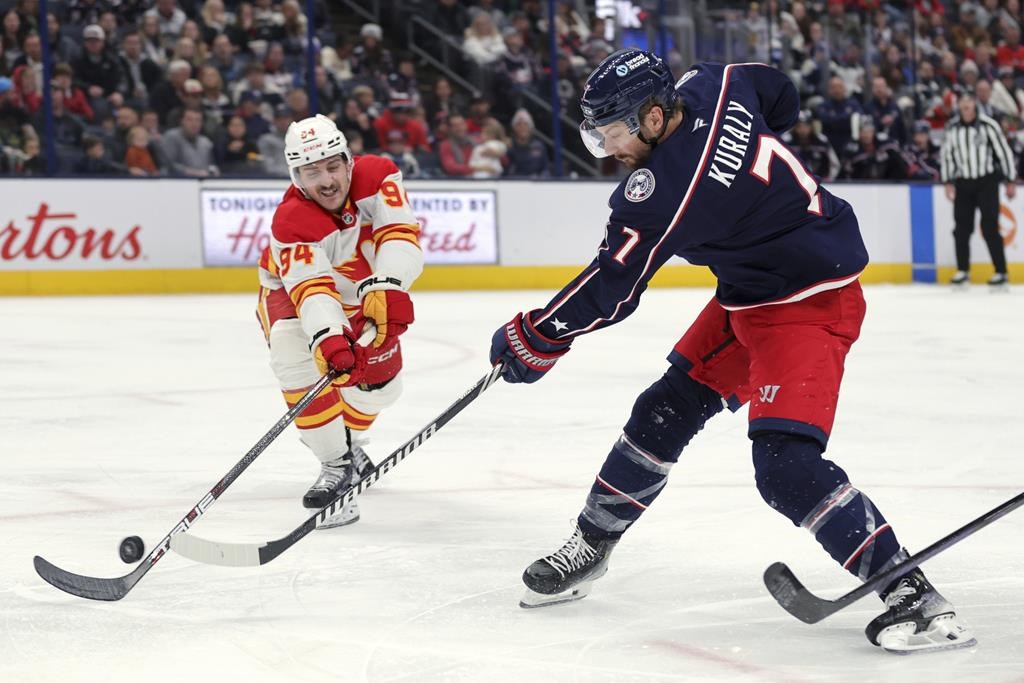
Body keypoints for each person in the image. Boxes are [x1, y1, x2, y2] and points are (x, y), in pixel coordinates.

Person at [489, 49, 976, 655]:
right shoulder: (715, 82)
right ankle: (591, 546)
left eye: (612, 133)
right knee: (661, 410)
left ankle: (917, 598)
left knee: (786, 468)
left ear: (655, 115)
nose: (609, 149)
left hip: (810, 305)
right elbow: (781, 95)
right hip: (753, 294)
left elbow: (613, 288)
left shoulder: (661, 190)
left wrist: (537, 335)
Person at [256, 114, 423, 528]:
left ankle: (349, 442)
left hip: (363, 288)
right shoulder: (292, 219)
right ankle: (337, 466)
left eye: (333, 166)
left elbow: (399, 234)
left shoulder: (378, 175)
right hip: (291, 297)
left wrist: (388, 286)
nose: (326, 181)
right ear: (296, 177)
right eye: (312, 172)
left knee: (380, 386)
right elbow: (312, 291)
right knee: (294, 351)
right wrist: (329, 338)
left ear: (349, 161)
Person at [940, 92, 1016, 290]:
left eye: (968, 101)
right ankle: (962, 271)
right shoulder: (953, 128)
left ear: (974, 104)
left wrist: (1010, 179)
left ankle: (1001, 272)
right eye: (962, 102)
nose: (965, 105)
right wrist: (947, 181)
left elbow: (1003, 152)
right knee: (961, 229)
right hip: (963, 183)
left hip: (986, 182)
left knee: (990, 226)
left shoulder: (988, 125)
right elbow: (947, 155)